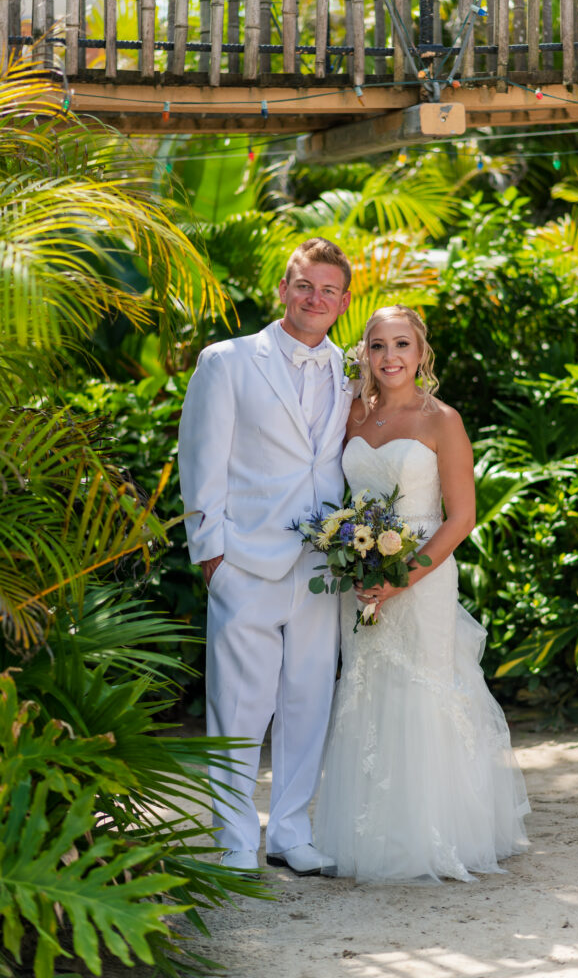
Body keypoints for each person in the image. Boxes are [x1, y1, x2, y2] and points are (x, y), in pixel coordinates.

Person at [314, 305, 530, 882]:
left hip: (424, 578)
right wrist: (358, 563)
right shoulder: (352, 415)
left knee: (425, 691)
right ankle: (371, 832)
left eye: (401, 344)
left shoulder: (442, 420)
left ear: (421, 353)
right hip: (361, 580)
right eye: (378, 345)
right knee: (367, 689)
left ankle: (438, 834)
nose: (390, 357)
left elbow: (460, 518)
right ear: (365, 353)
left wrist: (401, 577)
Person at [178, 237, 353, 877]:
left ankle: (290, 831)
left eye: (328, 290)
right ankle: (232, 839)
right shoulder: (226, 362)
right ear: (284, 288)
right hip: (244, 560)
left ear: (343, 300)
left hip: (322, 565)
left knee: (308, 701)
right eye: (304, 285)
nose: (315, 298)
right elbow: (200, 463)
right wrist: (213, 559)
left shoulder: (350, 367)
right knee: (238, 707)